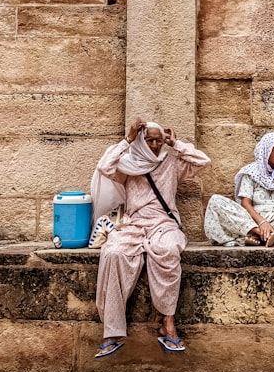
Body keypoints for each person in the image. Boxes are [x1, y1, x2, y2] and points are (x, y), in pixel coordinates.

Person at [89, 118, 210, 358]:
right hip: (134, 224)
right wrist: (128, 140)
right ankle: (111, 331)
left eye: (158, 140)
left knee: (168, 250)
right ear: (141, 140)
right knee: (113, 252)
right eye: (149, 140)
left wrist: (176, 143)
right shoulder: (127, 165)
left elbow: (202, 161)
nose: (155, 145)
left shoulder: (172, 163)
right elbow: (104, 166)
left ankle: (168, 323)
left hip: (164, 224)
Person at [203, 132, 274, 247]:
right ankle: (260, 233)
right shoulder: (251, 172)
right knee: (215, 201)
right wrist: (262, 223)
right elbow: (245, 204)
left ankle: (263, 236)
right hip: (254, 221)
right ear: (266, 151)